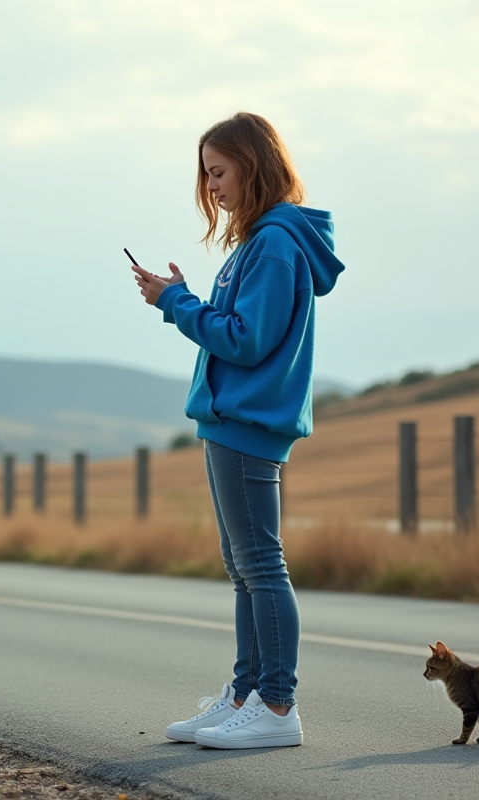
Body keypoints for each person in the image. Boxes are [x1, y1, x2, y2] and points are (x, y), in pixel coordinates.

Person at [131, 112, 344, 750]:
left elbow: (248, 343)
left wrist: (175, 305)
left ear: (252, 167)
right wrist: (184, 296)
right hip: (231, 421)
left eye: (218, 172)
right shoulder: (259, 243)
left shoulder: (276, 244)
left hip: (247, 424)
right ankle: (247, 693)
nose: (212, 187)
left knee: (260, 565)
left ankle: (277, 708)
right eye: (206, 175)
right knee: (244, 567)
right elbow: (236, 326)